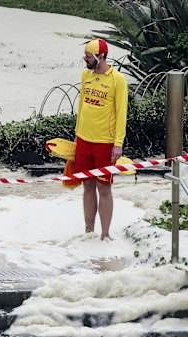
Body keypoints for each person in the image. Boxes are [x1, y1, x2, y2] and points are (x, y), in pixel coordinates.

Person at [74, 39, 128, 240]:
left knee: (103, 187)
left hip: (105, 143)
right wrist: (77, 134)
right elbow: (81, 106)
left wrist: (118, 144)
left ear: (101, 57)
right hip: (83, 140)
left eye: (89, 56)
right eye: (86, 55)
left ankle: (105, 234)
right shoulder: (85, 75)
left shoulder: (117, 80)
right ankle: (89, 231)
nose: (85, 59)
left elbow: (121, 112)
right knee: (87, 184)